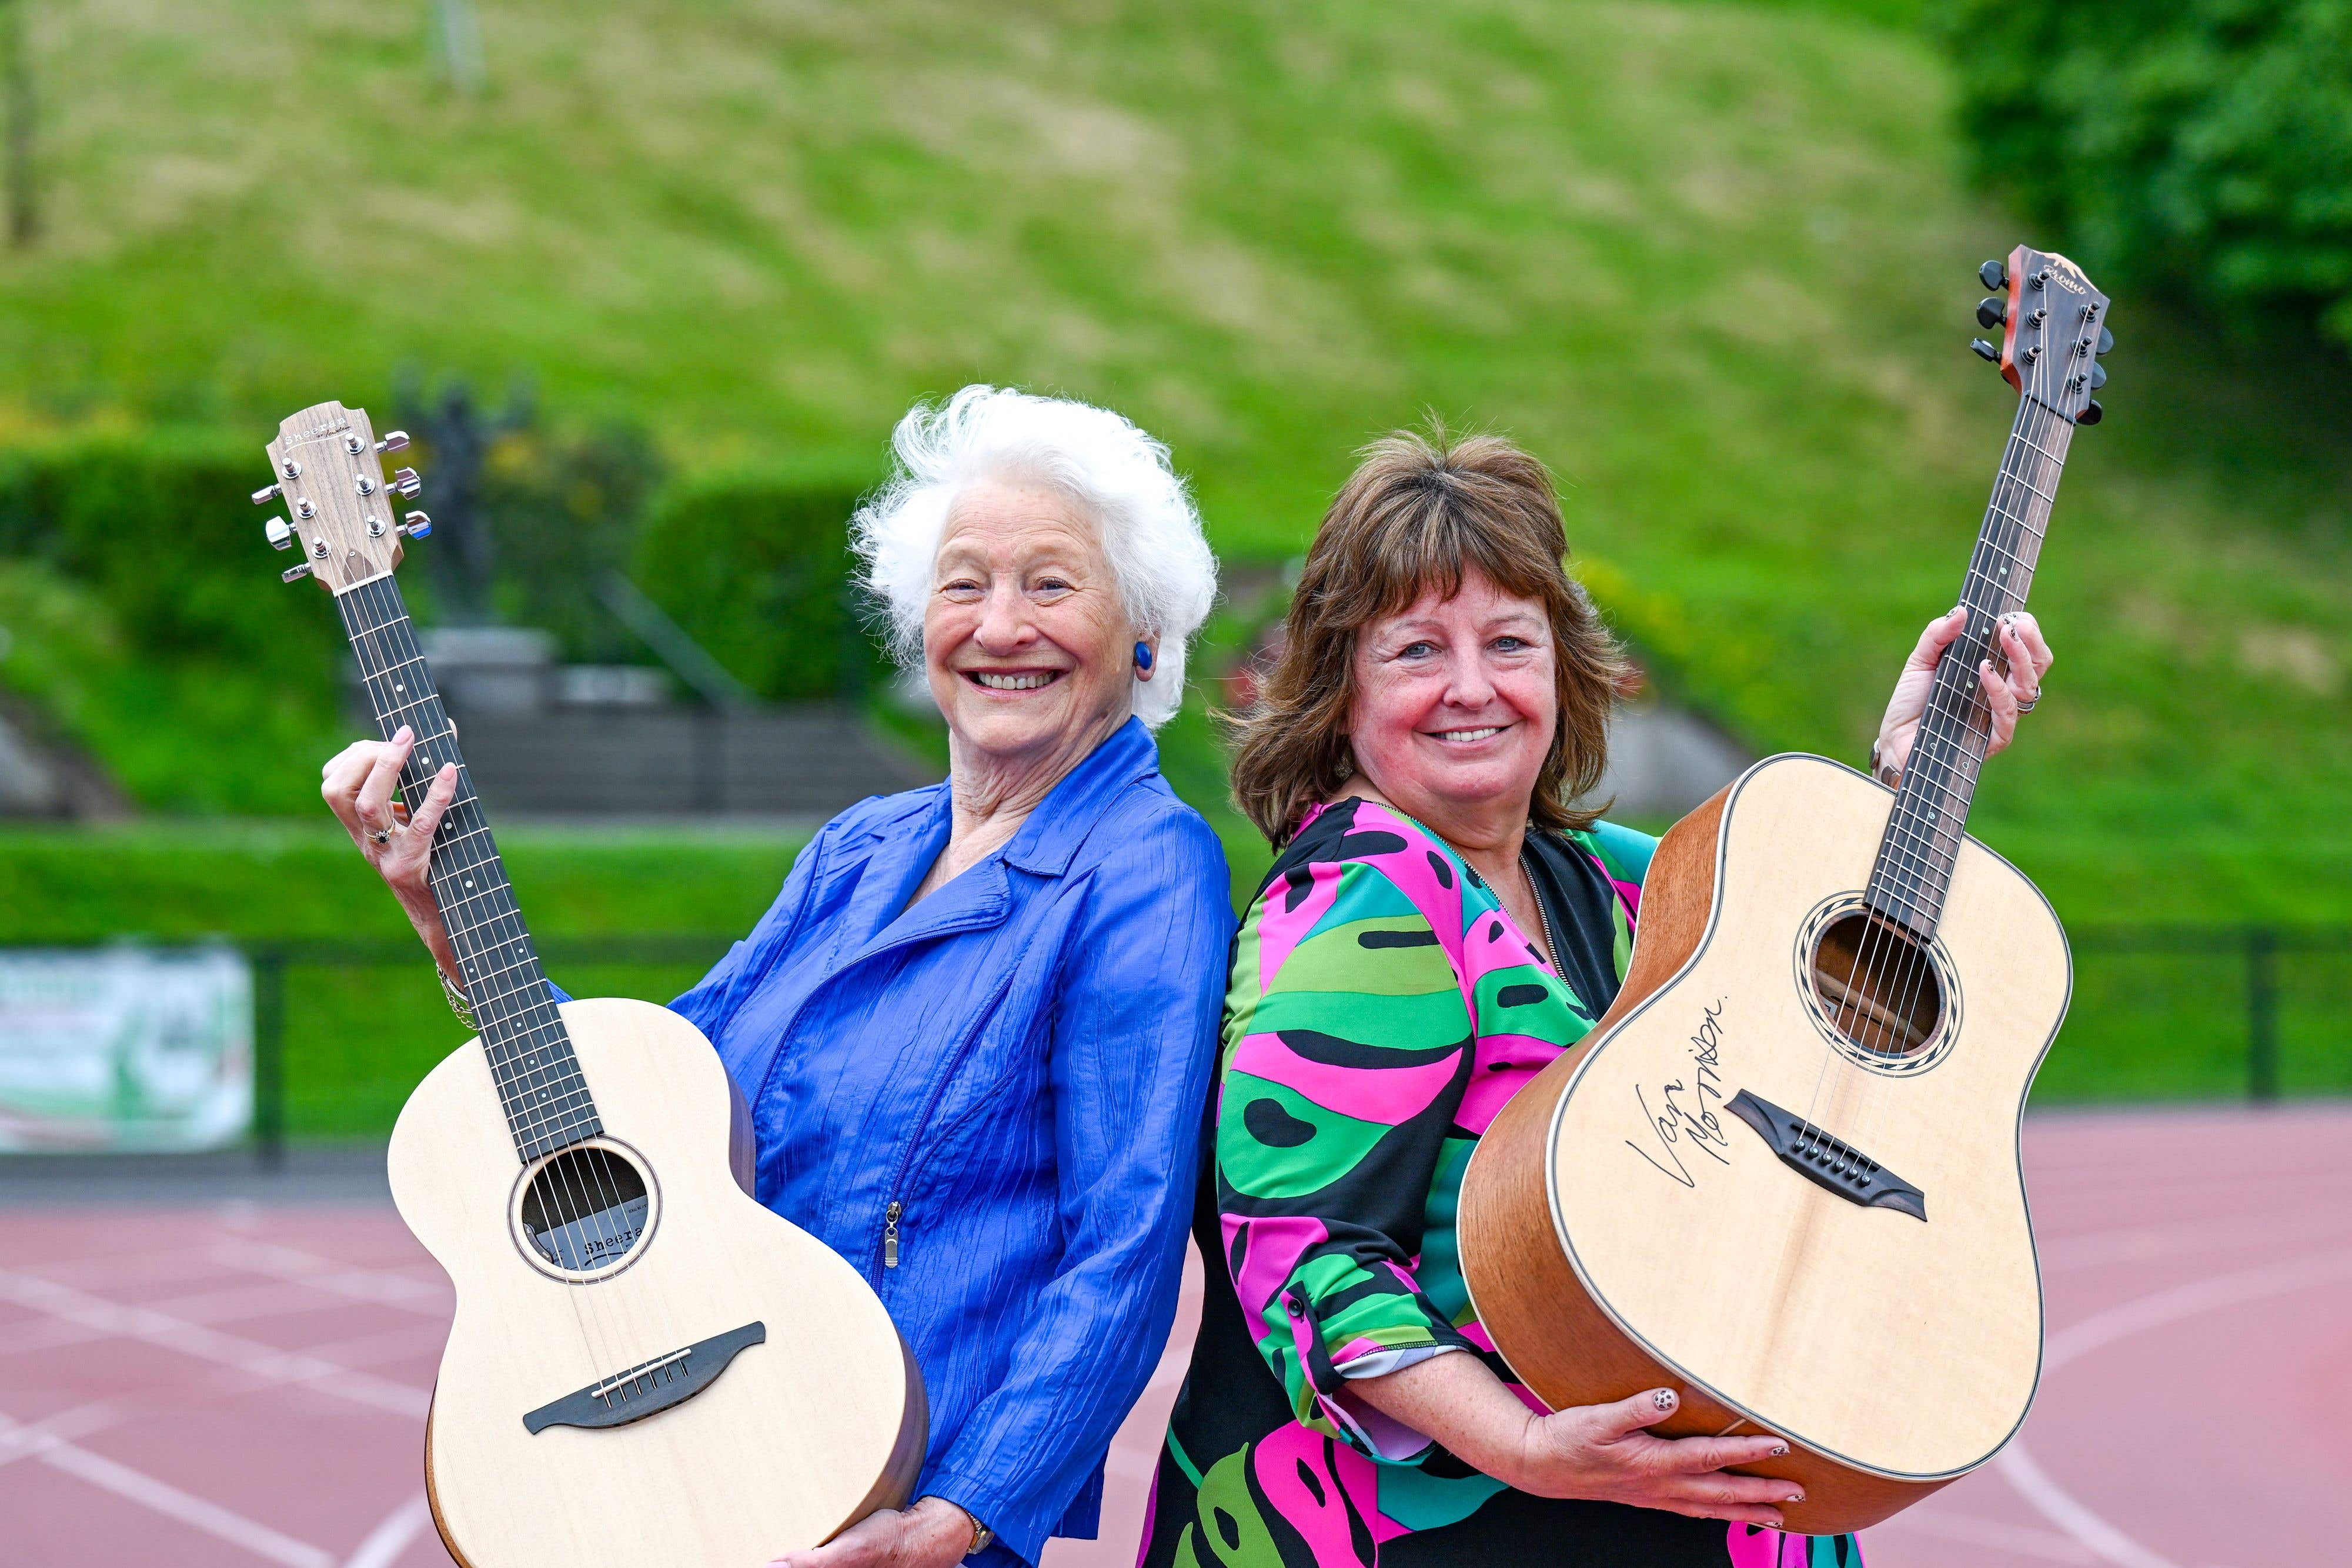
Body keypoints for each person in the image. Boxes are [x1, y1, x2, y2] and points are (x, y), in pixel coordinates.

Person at [322, 386, 1235, 1568]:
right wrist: (451, 924)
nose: (1000, 625)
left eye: (1051, 585)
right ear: (920, 627)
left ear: (1144, 631)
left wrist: (957, 1516)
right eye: (963, 584)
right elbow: (649, 1104)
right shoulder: (860, 846)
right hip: (698, 1462)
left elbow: (1121, 1247)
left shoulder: (1146, 869)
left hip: (887, 1496)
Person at [1140, 429, 2053, 1568]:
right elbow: (1299, 1249)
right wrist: (1525, 1445)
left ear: (1564, 668)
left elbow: (1792, 973)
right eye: (1416, 650)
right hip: (1458, 1525)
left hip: (1657, 1488)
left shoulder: (1611, 874)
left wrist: (1907, 767)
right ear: (1339, 692)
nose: (1470, 688)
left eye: (1508, 642)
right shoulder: (1358, 905)